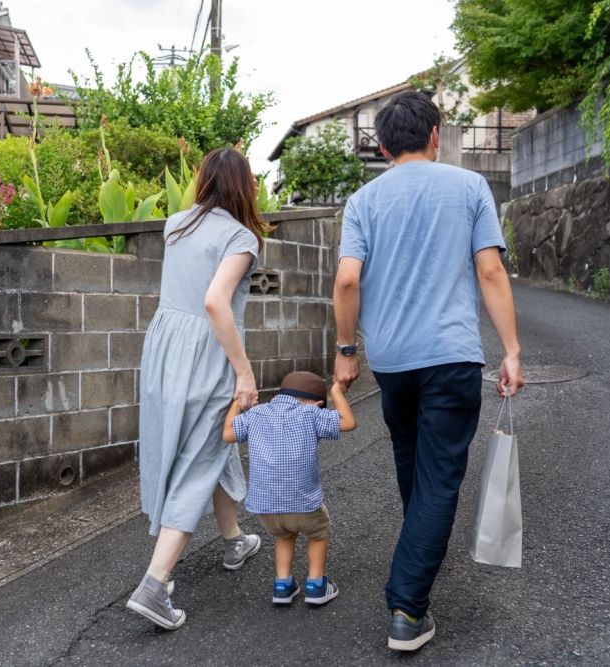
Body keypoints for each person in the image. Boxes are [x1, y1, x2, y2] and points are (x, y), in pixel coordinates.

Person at [332, 90, 524, 652]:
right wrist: (511, 349)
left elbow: (346, 280)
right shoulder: (469, 187)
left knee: (414, 467)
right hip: (452, 356)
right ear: (435, 136)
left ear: (383, 145)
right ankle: (407, 608)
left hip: (393, 362)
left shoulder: (363, 200)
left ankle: (416, 568)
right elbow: (489, 271)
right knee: (438, 478)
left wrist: (348, 351)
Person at [126, 147, 270, 631]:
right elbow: (215, 302)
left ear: (204, 180)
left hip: (165, 351)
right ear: (245, 185)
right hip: (207, 354)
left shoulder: (176, 224)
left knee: (209, 446)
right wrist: (244, 373)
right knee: (198, 459)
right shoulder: (241, 237)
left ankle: (233, 540)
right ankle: (155, 583)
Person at [222, 371, 357, 606]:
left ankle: (282, 586)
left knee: (284, 536)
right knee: (317, 535)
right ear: (317, 403)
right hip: (305, 505)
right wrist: (336, 391)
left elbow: (228, 434)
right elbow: (348, 422)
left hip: (267, 509)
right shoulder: (312, 413)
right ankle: (316, 586)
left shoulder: (257, 413)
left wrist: (237, 402)